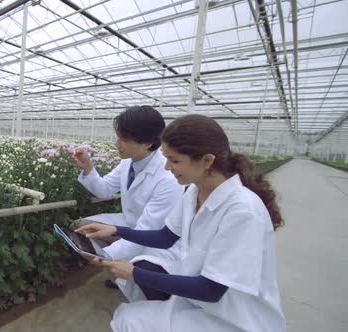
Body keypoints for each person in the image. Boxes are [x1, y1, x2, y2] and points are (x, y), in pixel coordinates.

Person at [76, 114, 286, 332]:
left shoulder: (243, 211)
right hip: (203, 303)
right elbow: (165, 237)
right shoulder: (195, 190)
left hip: (236, 318)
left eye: (175, 160)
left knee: (129, 319)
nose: (167, 167)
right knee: (129, 316)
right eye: (166, 158)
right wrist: (115, 230)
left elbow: (211, 290)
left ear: (207, 161)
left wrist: (133, 273)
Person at [70, 106, 183, 287]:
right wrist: (88, 168)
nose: (117, 144)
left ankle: (126, 272)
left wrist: (104, 257)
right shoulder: (128, 162)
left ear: (146, 143)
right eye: (118, 137)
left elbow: (147, 231)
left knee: (111, 249)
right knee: (83, 227)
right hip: (130, 222)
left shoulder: (167, 178)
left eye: (124, 139)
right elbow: (104, 189)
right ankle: (119, 272)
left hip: (154, 237)